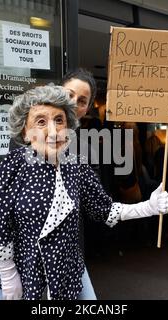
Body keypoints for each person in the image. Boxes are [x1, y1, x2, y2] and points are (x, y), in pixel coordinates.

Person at [0, 85, 168, 300]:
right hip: (23, 275)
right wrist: (8, 277)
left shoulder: (76, 165)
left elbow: (104, 209)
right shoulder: (12, 167)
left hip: (68, 271)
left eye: (59, 120)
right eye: (41, 122)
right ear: (25, 132)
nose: (53, 132)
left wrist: (148, 207)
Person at [61, 68, 99, 299]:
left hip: (69, 253)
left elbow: (98, 204)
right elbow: (2, 206)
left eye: (82, 101)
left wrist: (148, 207)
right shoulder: (25, 137)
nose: (75, 103)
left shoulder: (85, 149)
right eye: (69, 94)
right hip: (25, 257)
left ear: (87, 109)